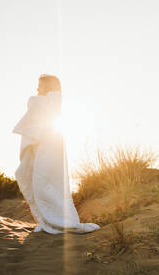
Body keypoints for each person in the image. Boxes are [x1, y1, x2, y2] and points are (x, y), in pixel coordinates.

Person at [12, 74, 101, 234]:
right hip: (44, 145)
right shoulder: (46, 101)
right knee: (38, 184)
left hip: (50, 147)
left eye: (40, 86)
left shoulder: (52, 99)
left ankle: (60, 222)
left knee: (48, 184)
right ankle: (47, 221)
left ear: (47, 86)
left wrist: (35, 100)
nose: (37, 89)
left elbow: (35, 106)